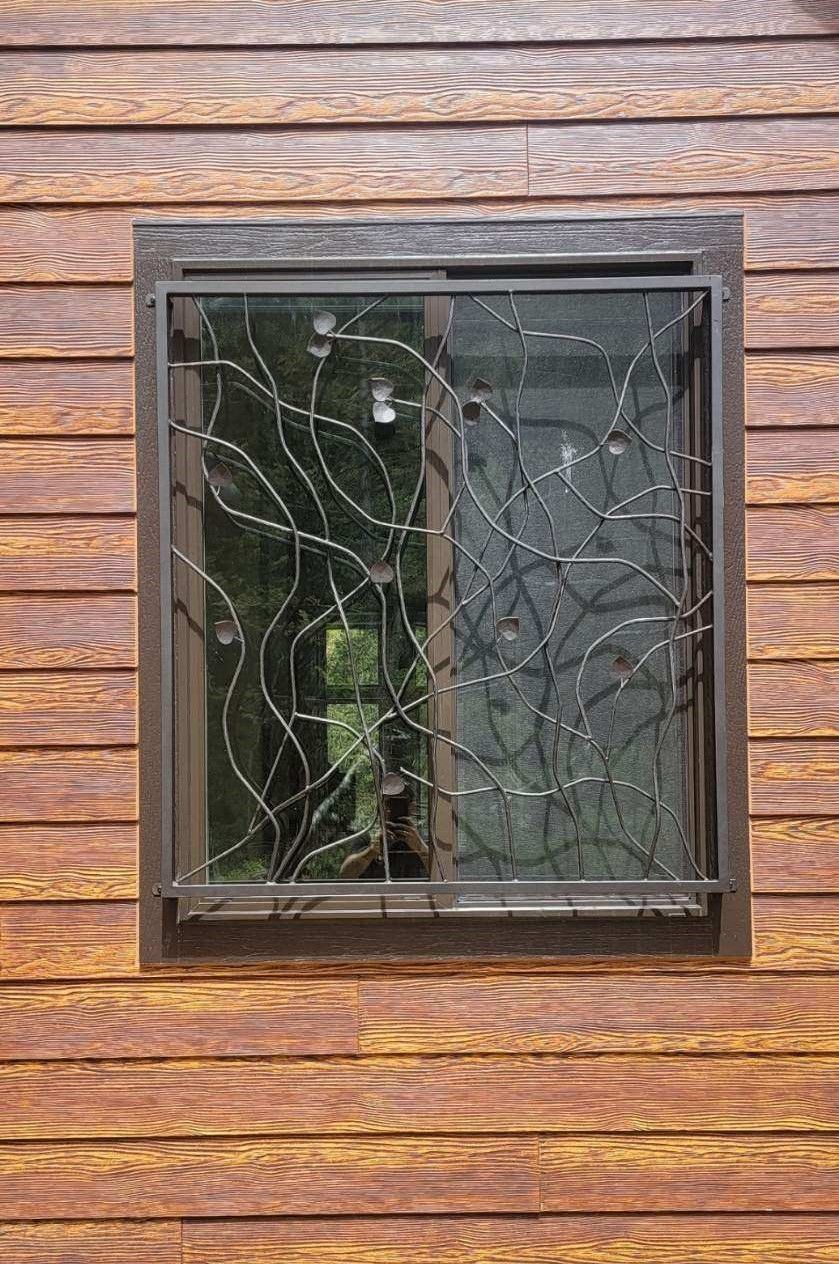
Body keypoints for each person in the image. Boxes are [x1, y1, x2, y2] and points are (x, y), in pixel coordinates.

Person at [340, 782, 429, 880]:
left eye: (400, 805)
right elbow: (345, 875)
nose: (392, 810)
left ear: (411, 808)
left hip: (413, 895)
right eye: (389, 803)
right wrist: (372, 851)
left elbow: (442, 875)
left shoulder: (419, 838)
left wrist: (420, 848)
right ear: (379, 808)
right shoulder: (367, 838)